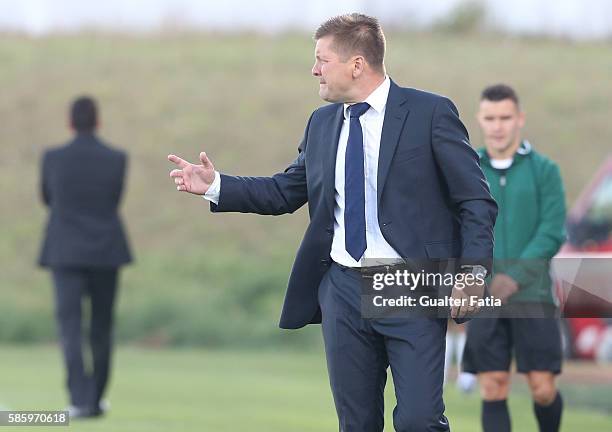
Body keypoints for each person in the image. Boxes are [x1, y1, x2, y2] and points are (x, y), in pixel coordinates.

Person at [169, 13, 497, 431]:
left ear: (357, 64)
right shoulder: (322, 123)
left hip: (410, 288)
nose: (314, 69)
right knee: (356, 424)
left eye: (322, 59)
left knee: (419, 420)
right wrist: (217, 185)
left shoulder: (429, 113)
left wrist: (471, 273)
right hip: (342, 289)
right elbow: (285, 191)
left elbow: (476, 201)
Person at [462, 84, 566, 432]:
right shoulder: (466, 169)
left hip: (532, 296)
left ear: (519, 119)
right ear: (480, 119)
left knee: (542, 388)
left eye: (505, 117)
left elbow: (552, 231)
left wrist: (516, 276)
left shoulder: (545, 171)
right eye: (490, 118)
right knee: (492, 385)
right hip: (484, 297)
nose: (497, 125)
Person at [39, 96, 132, 418]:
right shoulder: (117, 158)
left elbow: (47, 198)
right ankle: (96, 399)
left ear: (70, 122)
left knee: (70, 326)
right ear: (98, 121)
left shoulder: (53, 158)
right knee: (102, 326)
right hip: (106, 250)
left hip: (64, 250)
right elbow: (115, 199)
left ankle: (78, 398)